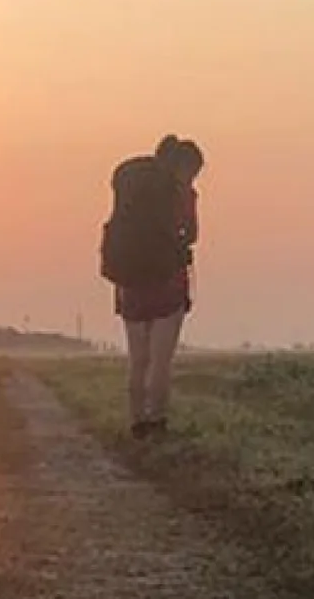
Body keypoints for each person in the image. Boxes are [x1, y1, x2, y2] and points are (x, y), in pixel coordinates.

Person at [108, 136, 204, 439]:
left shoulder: (132, 189)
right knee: (160, 360)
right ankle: (157, 422)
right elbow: (191, 234)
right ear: (186, 166)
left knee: (138, 359)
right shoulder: (181, 192)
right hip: (167, 283)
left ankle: (136, 423)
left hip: (129, 283)